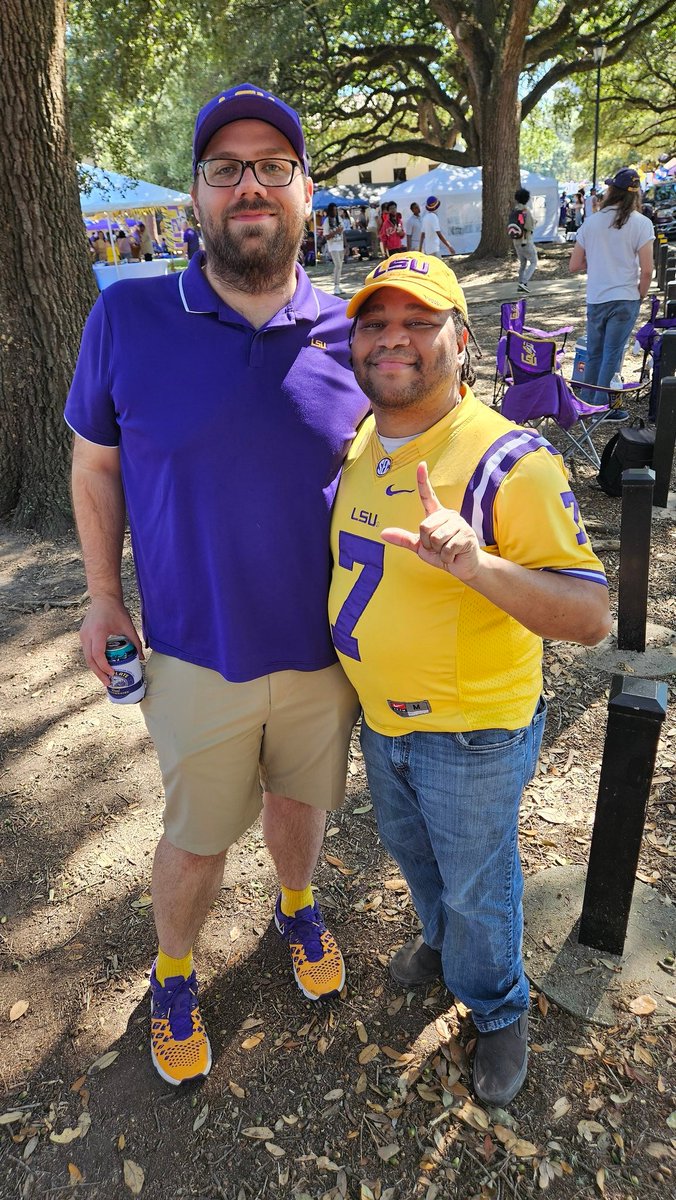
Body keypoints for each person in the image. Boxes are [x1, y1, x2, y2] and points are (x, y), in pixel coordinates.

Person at [65, 82, 368, 1088]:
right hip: (195, 652)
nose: (250, 185)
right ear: (196, 194)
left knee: (299, 806)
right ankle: (175, 970)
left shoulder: (356, 334)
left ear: (306, 194)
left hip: (327, 652)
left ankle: (295, 904)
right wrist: (103, 596)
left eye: (272, 167)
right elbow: (95, 465)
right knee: (195, 840)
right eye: (225, 168)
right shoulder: (128, 316)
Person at [328, 252, 612, 1106]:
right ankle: (440, 941)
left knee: (480, 885)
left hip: (470, 734)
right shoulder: (368, 433)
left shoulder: (508, 462)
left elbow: (591, 616)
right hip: (385, 721)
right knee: (419, 861)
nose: (394, 340)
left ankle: (497, 1005)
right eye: (376, 323)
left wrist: (479, 566)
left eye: (419, 322)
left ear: (463, 338)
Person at [569, 167, 653, 419]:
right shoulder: (641, 223)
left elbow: (574, 265)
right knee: (613, 353)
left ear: (611, 190)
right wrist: (641, 294)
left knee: (595, 351)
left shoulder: (591, 222)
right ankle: (603, 407)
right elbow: (647, 270)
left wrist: (596, 262)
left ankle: (587, 402)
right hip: (626, 296)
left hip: (597, 297)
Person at [512, 187, 538, 294]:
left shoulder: (514, 211)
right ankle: (524, 283)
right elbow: (529, 227)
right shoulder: (526, 211)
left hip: (516, 241)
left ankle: (520, 283)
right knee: (533, 261)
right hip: (526, 241)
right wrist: (534, 222)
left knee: (523, 263)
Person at [322, 202, 346, 295]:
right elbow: (326, 237)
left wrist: (346, 245)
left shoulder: (339, 219)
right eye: (334, 210)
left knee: (340, 266)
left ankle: (338, 285)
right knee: (338, 265)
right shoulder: (327, 221)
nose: (335, 211)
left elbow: (343, 232)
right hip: (333, 246)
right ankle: (336, 286)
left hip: (340, 245)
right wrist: (336, 232)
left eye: (336, 209)